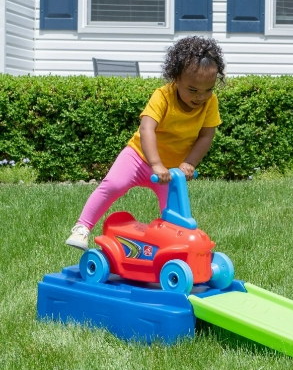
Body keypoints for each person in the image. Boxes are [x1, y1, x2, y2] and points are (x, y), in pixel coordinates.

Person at [66, 36, 225, 250]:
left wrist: (189, 163)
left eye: (208, 89)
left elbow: (206, 136)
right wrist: (155, 163)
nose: (201, 97)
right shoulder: (163, 96)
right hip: (139, 157)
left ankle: (170, 249)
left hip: (169, 171)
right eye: (193, 90)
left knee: (174, 213)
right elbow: (146, 128)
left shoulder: (210, 102)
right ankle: (82, 227)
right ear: (176, 78)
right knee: (113, 185)